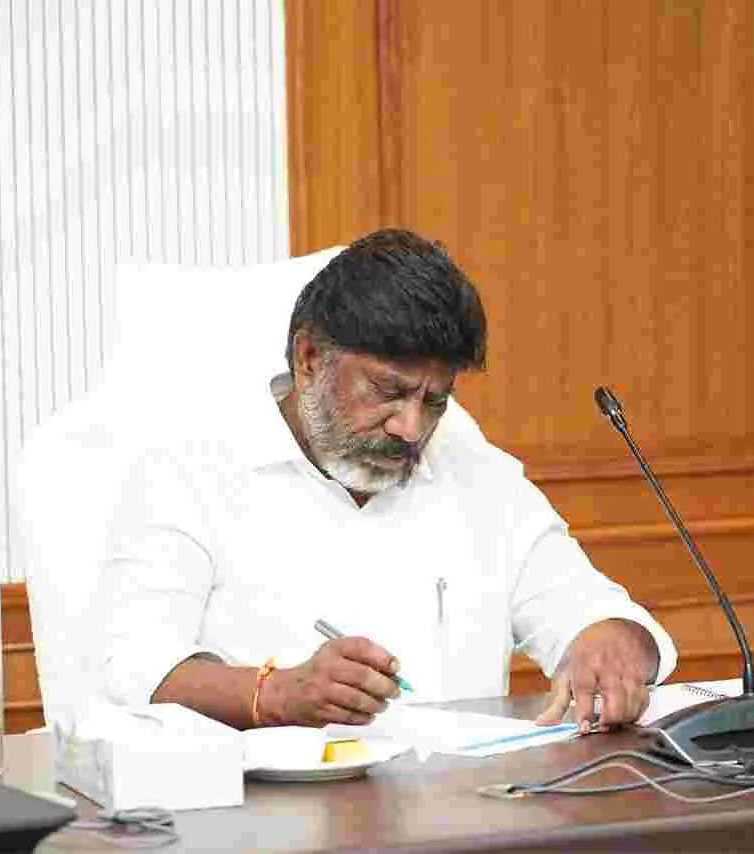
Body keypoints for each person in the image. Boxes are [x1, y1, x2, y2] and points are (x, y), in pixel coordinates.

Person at [96, 229, 677, 733]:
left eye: (435, 401)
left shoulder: (478, 476)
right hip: (266, 809)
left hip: (464, 806)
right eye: (388, 391)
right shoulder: (187, 472)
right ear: (309, 358)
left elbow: (593, 612)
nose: (410, 427)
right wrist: (277, 695)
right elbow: (137, 669)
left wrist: (610, 644)